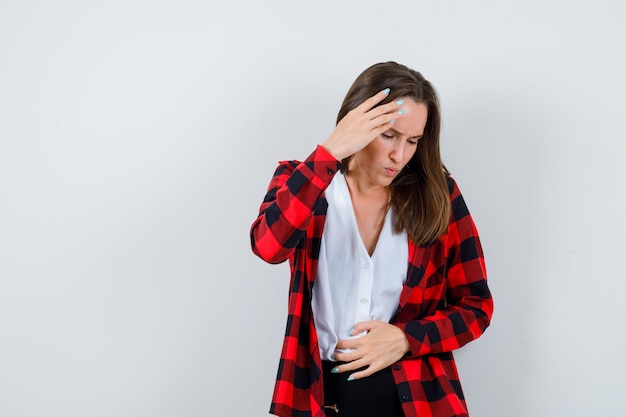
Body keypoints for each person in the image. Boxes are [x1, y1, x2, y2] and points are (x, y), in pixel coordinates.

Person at [250, 61, 494, 417]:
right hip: (319, 394)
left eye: (413, 141)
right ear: (357, 122)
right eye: (389, 135)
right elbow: (267, 247)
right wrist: (330, 152)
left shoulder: (438, 195)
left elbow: (476, 307)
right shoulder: (303, 183)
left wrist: (405, 338)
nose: (400, 155)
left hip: (414, 398)